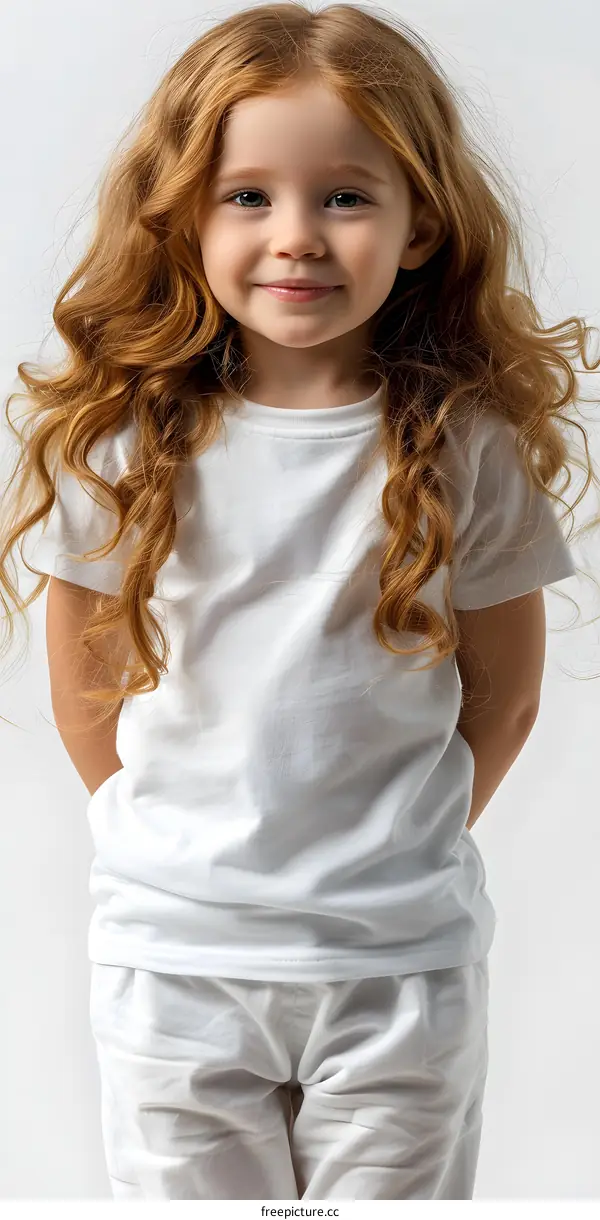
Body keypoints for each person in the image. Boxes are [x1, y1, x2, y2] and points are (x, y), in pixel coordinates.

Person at [2, 1, 598, 1202]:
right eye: (248, 195)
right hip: (176, 961)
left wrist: (385, 860)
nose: (296, 238)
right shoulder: (121, 442)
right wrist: (175, 850)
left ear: (421, 221)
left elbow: (508, 695)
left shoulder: (465, 445)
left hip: (399, 971)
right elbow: (85, 690)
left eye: (344, 195)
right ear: (184, 211)